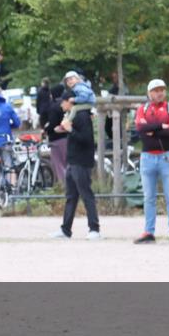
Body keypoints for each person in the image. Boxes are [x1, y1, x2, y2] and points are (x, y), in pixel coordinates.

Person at [133, 79, 169, 244]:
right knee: (148, 197)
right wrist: (162, 126)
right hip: (147, 157)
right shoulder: (142, 109)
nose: (159, 93)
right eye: (155, 90)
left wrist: (152, 128)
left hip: (166, 156)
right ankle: (149, 231)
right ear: (149, 93)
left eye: (162, 89)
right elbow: (140, 128)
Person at [51, 91, 101, 240]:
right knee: (71, 196)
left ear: (70, 102)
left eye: (63, 101)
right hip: (72, 161)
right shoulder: (71, 115)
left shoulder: (82, 116)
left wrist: (70, 129)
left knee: (86, 195)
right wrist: (64, 129)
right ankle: (66, 229)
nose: (61, 104)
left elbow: (86, 139)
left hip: (81, 161)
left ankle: (94, 229)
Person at [42, 84, 68, 183]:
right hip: (67, 137)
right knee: (67, 164)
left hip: (57, 139)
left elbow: (52, 123)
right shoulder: (66, 104)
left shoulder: (53, 107)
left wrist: (46, 129)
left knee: (59, 165)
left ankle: (65, 186)